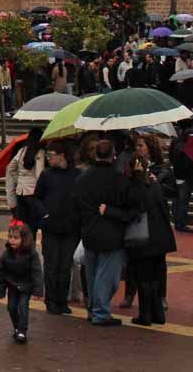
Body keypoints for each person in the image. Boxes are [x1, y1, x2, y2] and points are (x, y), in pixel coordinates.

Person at [72, 138, 141, 326]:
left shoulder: (83, 178)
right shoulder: (119, 179)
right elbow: (134, 207)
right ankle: (100, 312)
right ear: (113, 155)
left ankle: (93, 308)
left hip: (89, 231)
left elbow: (75, 203)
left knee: (92, 272)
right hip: (112, 232)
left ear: (96, 154)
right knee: (107, 276)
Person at [125, 152, 176, 326]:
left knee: (143, 278)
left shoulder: (137, 185)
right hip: (161, 237)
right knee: (155, 278)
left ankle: (145, 315)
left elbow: (139, 205)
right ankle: (158, 314)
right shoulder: (155, 184)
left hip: (144, 238)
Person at [33, 141, 80, 314]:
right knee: (52, 265)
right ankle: (51, 301)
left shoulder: (77, 174)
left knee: (65, 265)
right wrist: (44, 213)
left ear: (62, 155)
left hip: (70, 227)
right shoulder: (46, 174)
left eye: (50, 154)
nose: (48, 158)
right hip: (51, 226)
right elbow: (36, 198)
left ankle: (62, 301)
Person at [0, 220, 44, 344]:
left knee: (22, 306)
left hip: (26, 286)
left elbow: (37, 272)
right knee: (11, 307)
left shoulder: (31, 253)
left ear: (24, 239)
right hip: (12, 285)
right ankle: (16, 326)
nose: (12, 240)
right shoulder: (7, 253)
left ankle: (22, 330)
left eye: (16, 238)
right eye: (10, 237)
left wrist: (38, 290)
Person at [6, 127, 45, 229]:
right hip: (33, 192)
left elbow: (10, 168)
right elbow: (39, 174)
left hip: (21, 191)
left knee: (23, 224)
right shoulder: (40, 152)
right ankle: (30, 243)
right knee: (33, 225)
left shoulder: (22, 151)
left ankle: (25, 243)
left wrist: (18, 180)